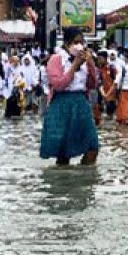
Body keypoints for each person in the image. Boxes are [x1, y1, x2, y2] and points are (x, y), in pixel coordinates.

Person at [40, 27, 100, 165]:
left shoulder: (85, 60)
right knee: (63, 152)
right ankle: (66, 182)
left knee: (92, 146)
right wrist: (74, 66)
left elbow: (92, 84)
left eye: (82, 42)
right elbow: (59, 85)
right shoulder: (56, 59)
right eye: (76, 42)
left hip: (81, 104)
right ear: (67, 44)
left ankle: (83, 177)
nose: (80, 45)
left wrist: (90, 64)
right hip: (62, 105)